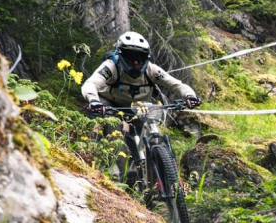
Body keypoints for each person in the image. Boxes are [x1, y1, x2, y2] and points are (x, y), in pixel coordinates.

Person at [81, 31, 200, 177]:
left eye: (140, 58)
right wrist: (94, 100)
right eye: (131, 58)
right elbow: (91, 83)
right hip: (110, 104)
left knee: (153, 132)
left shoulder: (152, 69)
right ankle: (121, 174)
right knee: (114, 130)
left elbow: (177, 85)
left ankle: (162, 177)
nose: (136, 63)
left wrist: (190, 96)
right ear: (121, 56)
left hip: (139, 106)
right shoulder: (111, 66)